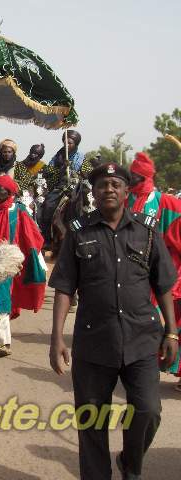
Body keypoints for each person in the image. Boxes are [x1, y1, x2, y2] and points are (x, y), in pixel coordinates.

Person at [49, 162, 179, 479]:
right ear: (94, 193)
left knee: (148, 410)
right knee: (92, 420)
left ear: (126, 191)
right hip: (95, 341)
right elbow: (64, 287)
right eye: (102, 185)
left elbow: (163, 284)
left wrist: (172, 333)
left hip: (141, 339)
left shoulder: (147, 230)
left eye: (115, 184)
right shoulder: (79, 232)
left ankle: (130, 464)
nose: (109, 189)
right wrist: (57, 338)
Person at [0, 175, 46, 357]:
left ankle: (5, 343)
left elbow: (32, 235)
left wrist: (32, 258)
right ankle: (3, 335)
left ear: (9, 192)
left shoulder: (20, 211)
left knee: (0, 297)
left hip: (11, 263)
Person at [127, 152, 181, 391]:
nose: (131, 179)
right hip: (128, 267)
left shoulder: (165, 202)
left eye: (136, 176)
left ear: (145, 177)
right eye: (131, 174)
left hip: (160, 268)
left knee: (162, 319)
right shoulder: (125, 197)